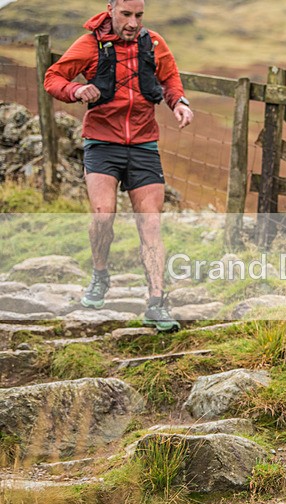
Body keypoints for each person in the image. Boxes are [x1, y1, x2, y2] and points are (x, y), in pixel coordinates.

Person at [44, 0, 192, 331]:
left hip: (143, 144)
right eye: (126, 14)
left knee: (151, 224)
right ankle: (100, 275)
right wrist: (77, 89)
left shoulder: (153, 43)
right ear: (111, 9)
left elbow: (170, 80)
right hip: (102, 142)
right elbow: (53, 78)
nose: (133, 22)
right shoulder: (89, 44)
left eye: (139, 15)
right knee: (102, 213)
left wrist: (179, 103)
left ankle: (156, 302)